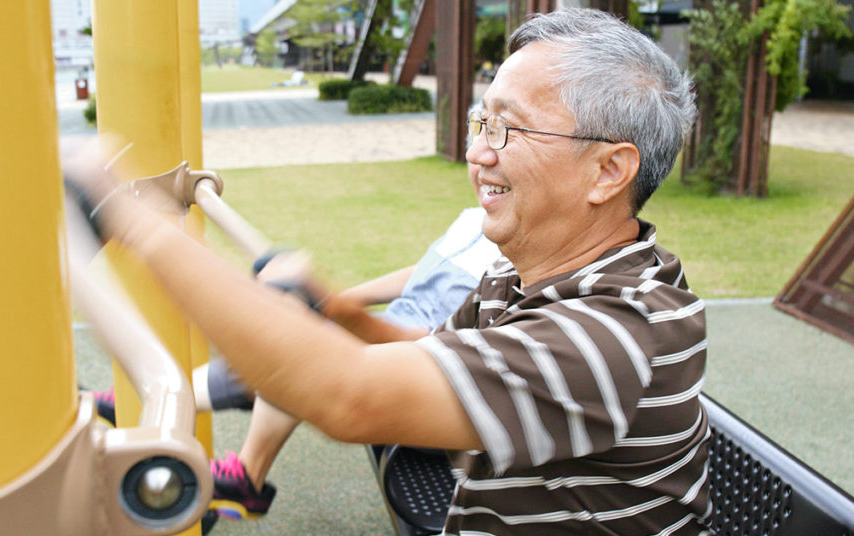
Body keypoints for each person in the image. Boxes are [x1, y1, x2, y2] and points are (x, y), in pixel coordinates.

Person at [67, 9, 708, 535]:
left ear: (608, 172)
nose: (478, 151)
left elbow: (350, 398)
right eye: (483, 121)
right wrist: (339, 310)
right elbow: (430, 352)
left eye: (510, 128)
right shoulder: (528, 277)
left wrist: (126, 213)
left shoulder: (614, 331)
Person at [204, 197, 499, 520]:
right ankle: (219, 399)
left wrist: (328, 305)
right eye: (475, 142)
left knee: (299, 351)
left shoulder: (514, 252)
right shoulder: (476, 217)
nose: (479, 156)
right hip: (393, 339)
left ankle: (247, 473)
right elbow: (424, 270)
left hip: (426, 378)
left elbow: (437, 349)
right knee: (279, 342)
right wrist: (339, 299)